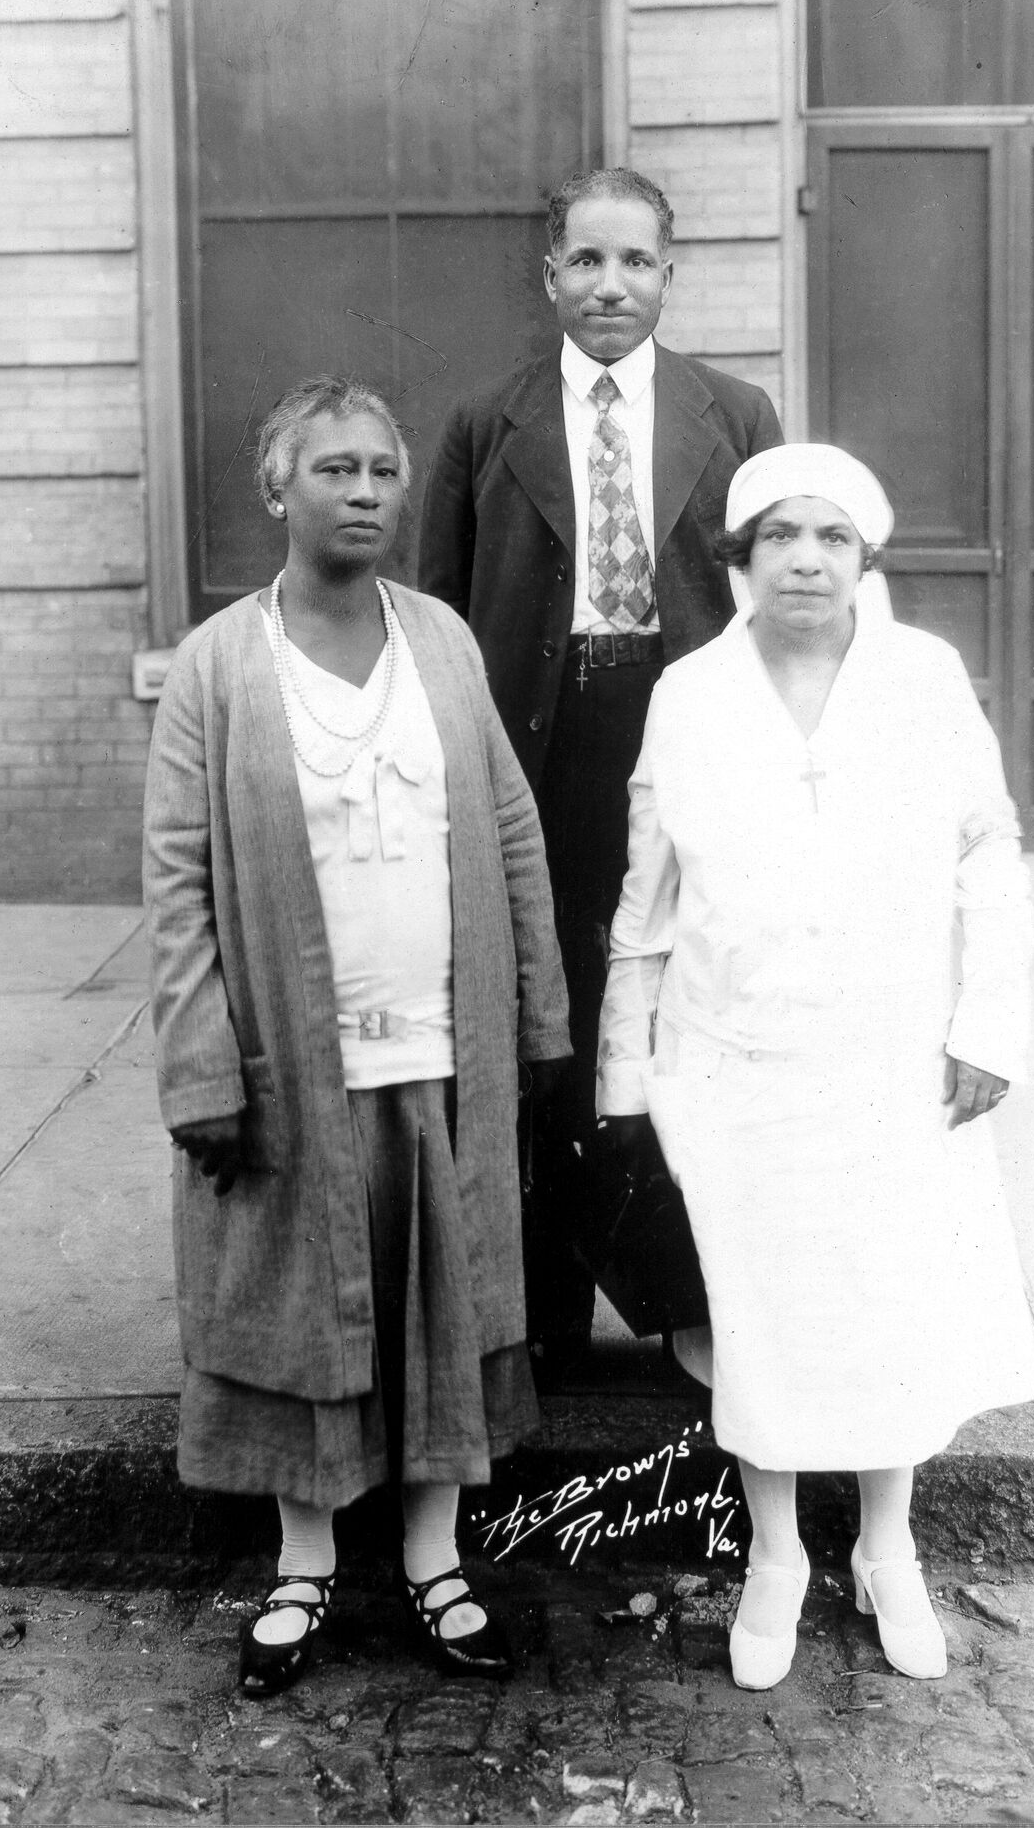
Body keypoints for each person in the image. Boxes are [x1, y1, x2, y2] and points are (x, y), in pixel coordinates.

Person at [143, 376, 569, 1698]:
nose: (367, 491)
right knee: (303, 1305)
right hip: (294, 1056)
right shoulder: (219, 665)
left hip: (442, 1048)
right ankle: (305, 1565)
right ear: (279, 489)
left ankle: (439, 1564)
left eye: (384, 468)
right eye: (335, 468)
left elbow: (507, 823)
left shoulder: (441, 638)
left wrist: (540, 1007)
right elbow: (175, 881)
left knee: (442, 1300)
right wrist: (206, 1060)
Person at [596, 443, 1034, 1691]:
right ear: (737, 561)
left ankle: (889, 1543)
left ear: (863, 557)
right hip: (733, 1062)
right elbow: (647, 898)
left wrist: (987, 1026)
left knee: (885, 1302)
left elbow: (985, 849)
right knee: (762, 1313)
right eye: (778, 536)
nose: (804, 558)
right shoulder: (688, 691)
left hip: (892, 1058)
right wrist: (622, 1082)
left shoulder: (921, 677)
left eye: (830, 536)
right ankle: (780, 1551)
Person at [419, 167, 783, 1379]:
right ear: (551, 277)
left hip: (683, 730)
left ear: (669, 276)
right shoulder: (487, 423)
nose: (609, 284)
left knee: (684, 1004)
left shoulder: (734, 415)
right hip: (543, 739)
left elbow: (775, 607)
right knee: (551, 1008)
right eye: (585, 260)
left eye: (635, 262)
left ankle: (692, 1301)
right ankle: (544, 1313)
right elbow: (436, 615)